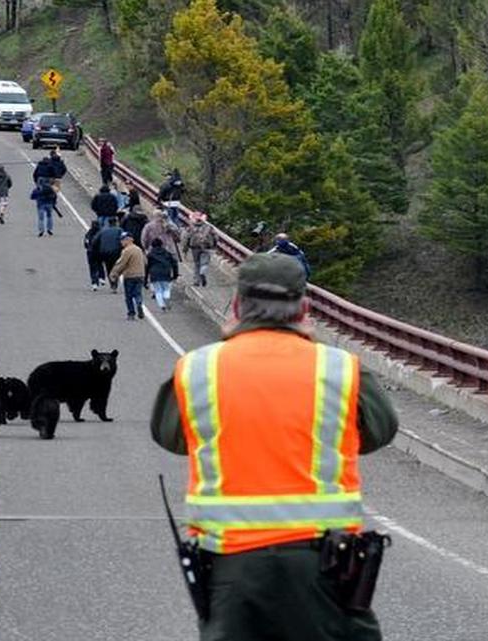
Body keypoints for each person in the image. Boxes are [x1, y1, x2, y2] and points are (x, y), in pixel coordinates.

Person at [149, 252, 398, 641]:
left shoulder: (199, 369)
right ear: (305, 308)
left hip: (231, 565)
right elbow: (380, 430)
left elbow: (170, 435)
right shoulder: (340, 368)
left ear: (236, 304)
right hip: (324, 565)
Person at [109, 232, 147, 320]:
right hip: (140, 275)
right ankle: (139, 303)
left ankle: (131, 313)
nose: (121, 242)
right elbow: (145, 261)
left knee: (129, 296)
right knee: (138, 293)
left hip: (130, 275)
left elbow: (121, 263)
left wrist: (114, 274)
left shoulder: (126, 251)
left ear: (128, 240)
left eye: (122, 240)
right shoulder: (138, 249)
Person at [183, 212, 217, 287]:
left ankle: (196, 281)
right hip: (206, 247)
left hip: (194, 248)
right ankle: (203, 272)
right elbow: (215, 237)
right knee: (204, 263)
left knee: (196, 263)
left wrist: (185, 249)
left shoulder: (190, 227)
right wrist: (214, 245)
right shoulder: (209, 227)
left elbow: (186, 238)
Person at [145, 237, 178, 311]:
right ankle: (166, 299)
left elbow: (147, 267)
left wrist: (145, 279)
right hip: (166, 273)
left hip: (154, 274)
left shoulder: (150, 255)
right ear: (162, 245)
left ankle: (162, 305)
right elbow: (174, 264)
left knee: (158, 290)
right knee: (166, 289)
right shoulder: (167, 253)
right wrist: (175, 274)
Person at [92, 217, 124, 291]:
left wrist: (96, 251)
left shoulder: (103, 231)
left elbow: (95, 241)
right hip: (116, 252)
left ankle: (112, 283)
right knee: (117, 267)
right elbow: (124, 239)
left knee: (108, 267)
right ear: (116, 222)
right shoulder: (119, 230)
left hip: (105, 252)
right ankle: (115, 282)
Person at [83, 221, 105, 291]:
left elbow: (85, 244)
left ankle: (94, 283)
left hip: (91, 252)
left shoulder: (88, 234)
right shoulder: (101, 233)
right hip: (100, 251)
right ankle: (102, 277)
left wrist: (88, 247)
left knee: (92, 268)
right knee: (100, 264)